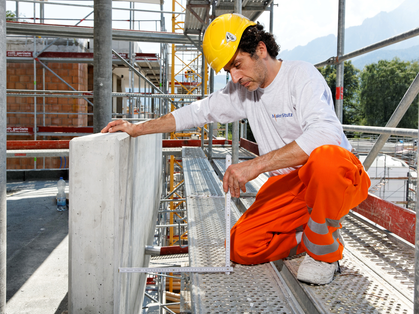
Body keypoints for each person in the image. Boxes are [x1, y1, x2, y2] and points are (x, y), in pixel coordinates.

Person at [102, 13, 370, 285]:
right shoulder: (243, 91)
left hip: (335, 179)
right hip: (290, 187)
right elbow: (197, 112)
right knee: (241, 246)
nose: (235, 76)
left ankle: (325, 255)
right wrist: (138, 128)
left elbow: (326, 135)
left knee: (326, 158)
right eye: (229, 70)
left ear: (261, 50)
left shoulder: (301, 76)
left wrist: (255, 165)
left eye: (238, 64)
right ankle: (312, 235)